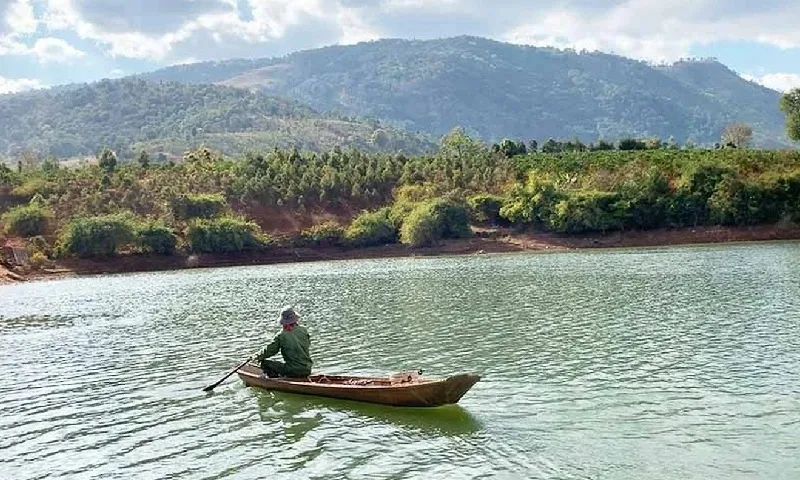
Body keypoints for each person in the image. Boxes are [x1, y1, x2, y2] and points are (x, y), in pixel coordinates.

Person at [253, 306, 313, 378]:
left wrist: (256, 357)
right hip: (307, 369)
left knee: (265, 363)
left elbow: (270, 350)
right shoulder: (304, 330)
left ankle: (275, 381)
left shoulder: (282, 335)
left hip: (293, 370)